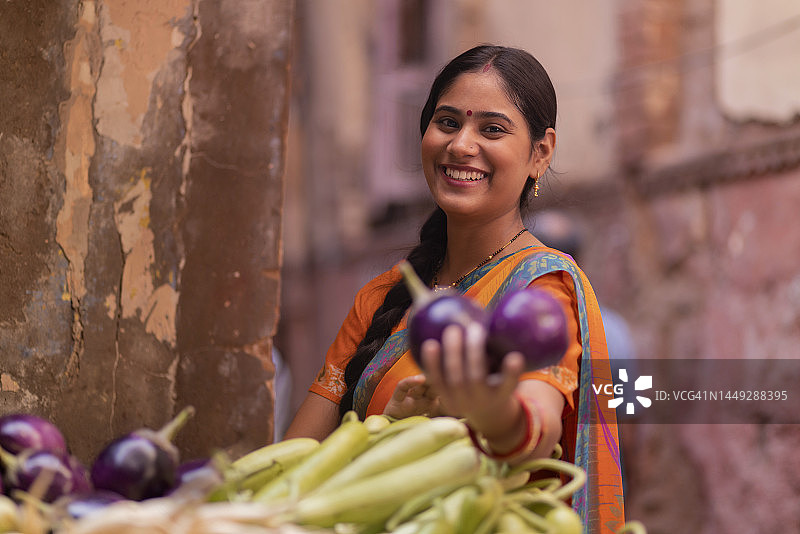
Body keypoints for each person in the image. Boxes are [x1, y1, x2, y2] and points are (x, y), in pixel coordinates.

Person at [285, 45, 624, 531]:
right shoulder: (383, 296)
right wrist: (390, 432)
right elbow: (293, 464)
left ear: (540, 153)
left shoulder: (541, 290)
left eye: (491, 129)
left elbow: (536, 428)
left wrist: (490, 410)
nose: (462, 145)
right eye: (447, 123)